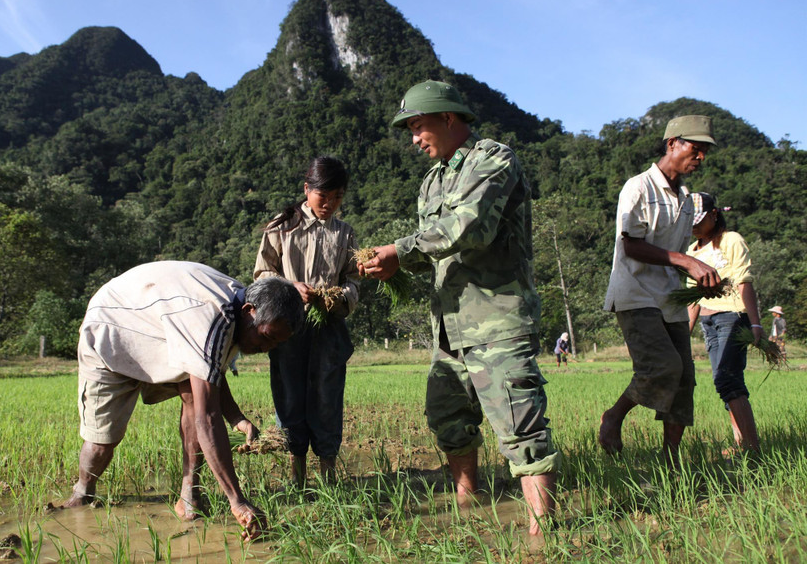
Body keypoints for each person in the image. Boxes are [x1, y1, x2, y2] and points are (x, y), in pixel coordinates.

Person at [357, 80, 561, 536]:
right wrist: (396, 267)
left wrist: (400, 250)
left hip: (497, 319)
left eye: (418, 126)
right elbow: (439, 250)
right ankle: (470, 503)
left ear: (449, 118)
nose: (414, 138)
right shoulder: (432, 181)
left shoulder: (494, 159)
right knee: (449, 416)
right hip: (449, 325)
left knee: (519, 420)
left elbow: (469, 228)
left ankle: (542, 532)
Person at [61, 261, 305, 542]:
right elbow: (208, 417)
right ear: (249, 312)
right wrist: (237, 500)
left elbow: (209, 373)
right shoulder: (212, 317)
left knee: (193, 391)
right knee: (102, 439)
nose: (266, 349)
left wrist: (237, 418)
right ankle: (83, 492)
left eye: (275, 345)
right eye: (267, 338)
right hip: (113, 329)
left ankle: (190, 493)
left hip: (160, 326)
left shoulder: (239, 311)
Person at [600, 115, 722, 468]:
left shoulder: (685, 199)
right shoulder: (638, 187)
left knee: (684, 378)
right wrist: (688, 262)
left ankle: (671, 461)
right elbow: (632, 246)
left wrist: (699, 279)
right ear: (673, 144)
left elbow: (674, 257)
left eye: (703, 153)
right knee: (662, 367)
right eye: (695, 149)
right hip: (635, 292)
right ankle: (614, 416)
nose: (699, 158)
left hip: (669, 295)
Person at [254, 156, 359, 486]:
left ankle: (329, 480)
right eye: (322, 197)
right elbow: (262, 273)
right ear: (307, 190)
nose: (329, 204)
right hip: (288, 331)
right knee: (289, 397)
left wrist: (337, 297)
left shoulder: (345, 234)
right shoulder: (282, 227)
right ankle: (297, 480)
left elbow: (354, 280)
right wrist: (289, 287)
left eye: (337, 197)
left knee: (328, 401)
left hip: (328, 330)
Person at [686, 192, 762, 454]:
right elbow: (692, 298)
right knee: (724, 382)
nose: (693, 226)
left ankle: (752, 448)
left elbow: (744, 281)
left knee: (728, 381)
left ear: (714, 214)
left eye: (698, 220)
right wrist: (685, 334)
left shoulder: (731, 240)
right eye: (689, 221)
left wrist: (756, 324)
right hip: (709, 324)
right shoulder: (691, 251)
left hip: (733, 317)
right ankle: (741, 443)